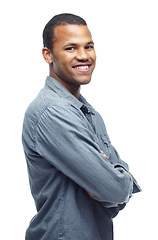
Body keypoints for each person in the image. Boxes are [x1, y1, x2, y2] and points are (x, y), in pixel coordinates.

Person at [22, 13, 141, 240]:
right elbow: (113, 189)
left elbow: (116, 191)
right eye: (71, 48)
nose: (83, 56)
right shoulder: (52, 112)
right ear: (48, 55)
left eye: (89, 46)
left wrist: (111, 181)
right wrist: (110, 180)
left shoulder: (87, 111)